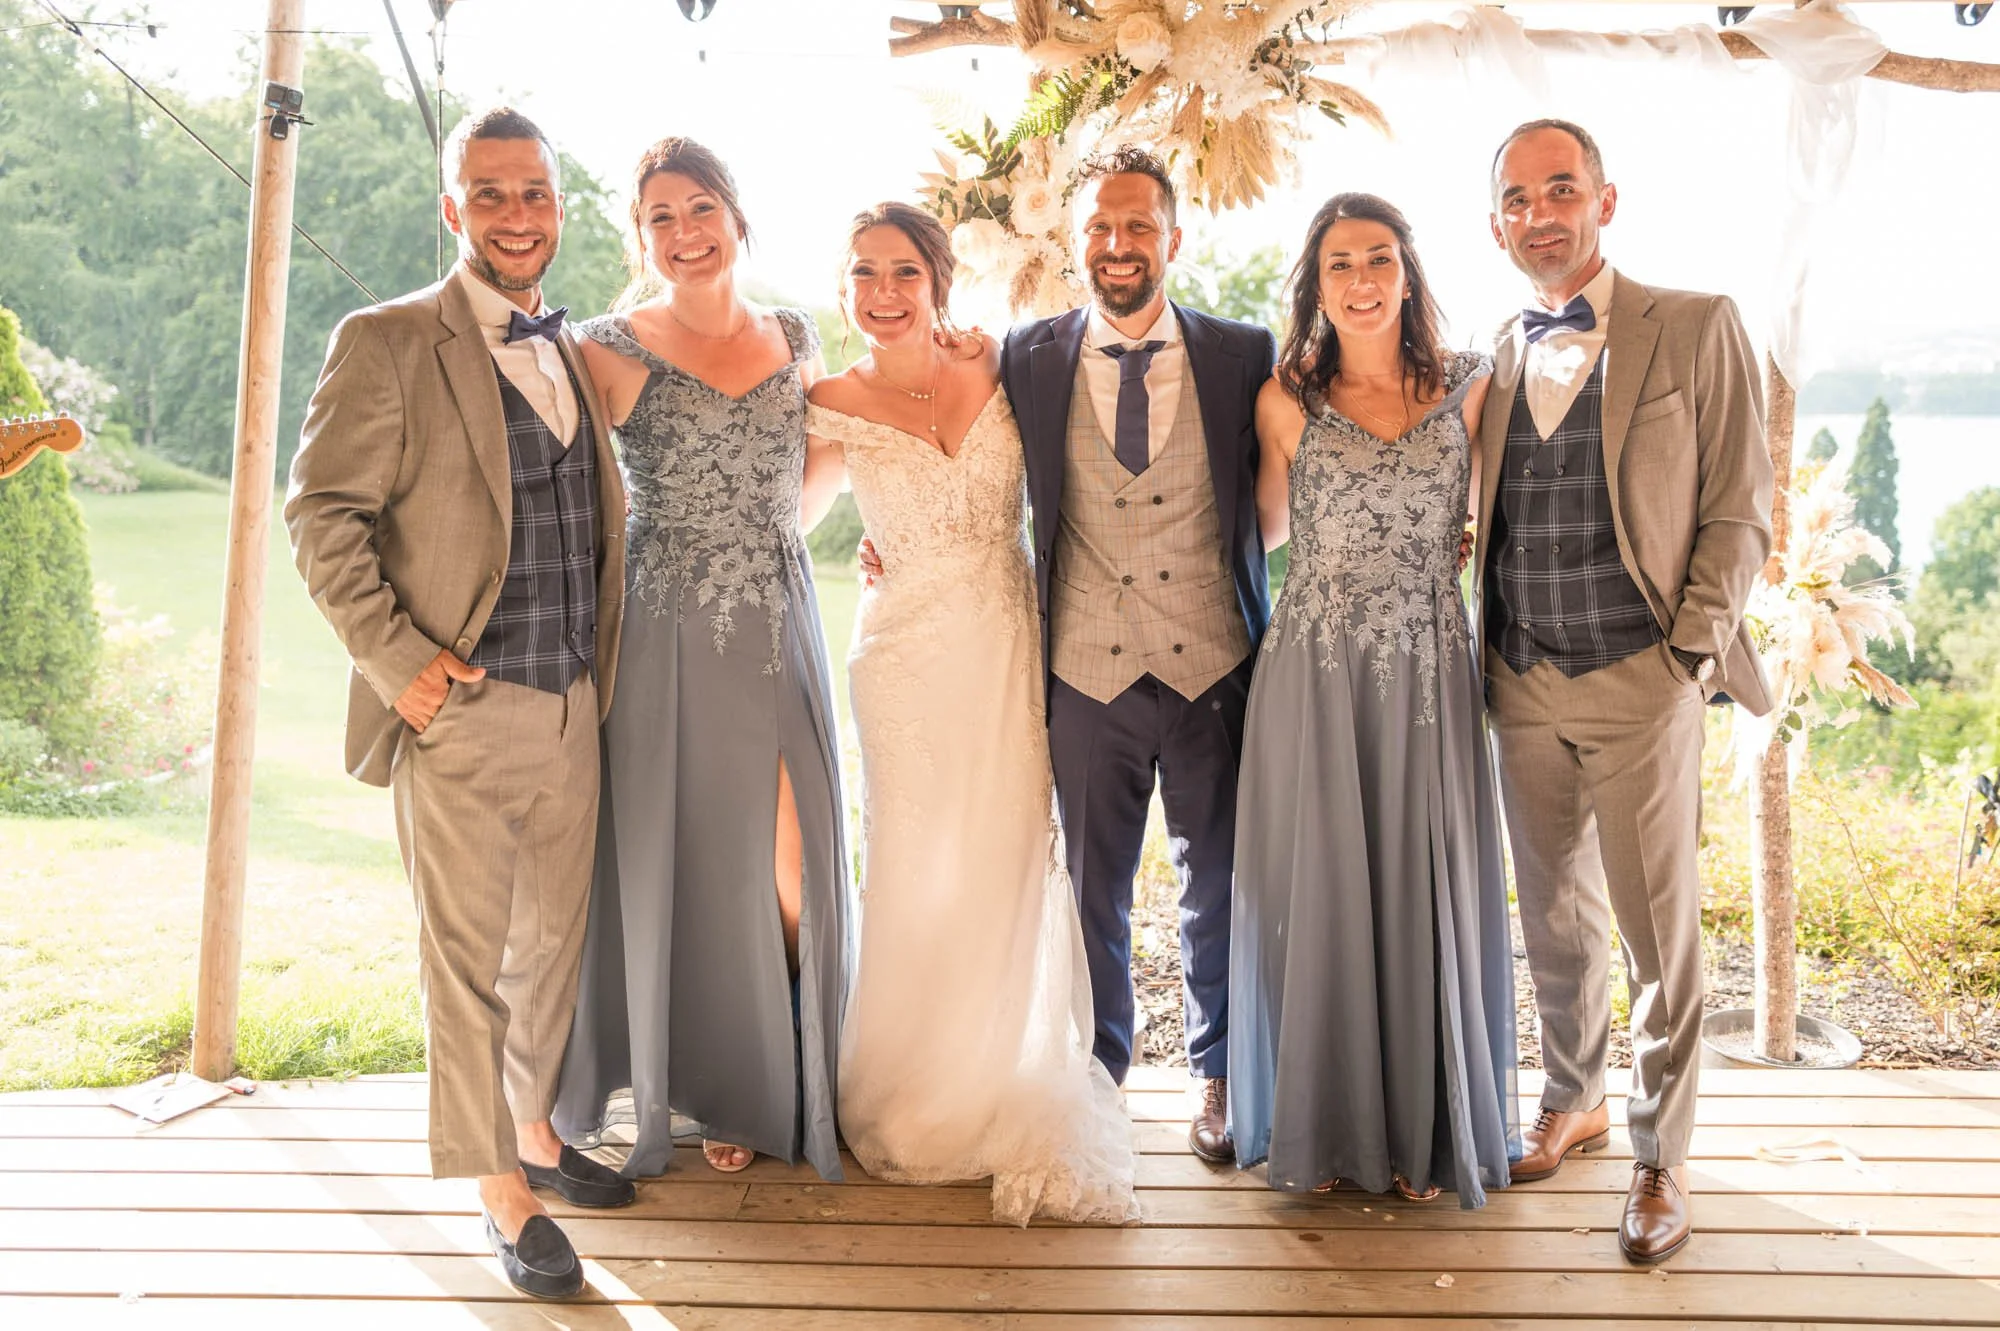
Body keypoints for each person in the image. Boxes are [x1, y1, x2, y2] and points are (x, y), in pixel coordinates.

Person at [287, 107, 635, 1301]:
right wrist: (403, 664)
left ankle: (533, 1128)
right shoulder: (385, 341)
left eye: (532, 193)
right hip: (462, 703)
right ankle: (500, 1189)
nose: (516, 214)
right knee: (467, 959)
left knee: (551, 947)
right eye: (488, 195)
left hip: (571, 698)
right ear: (453, 209)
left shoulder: (571, 347)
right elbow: (320, 518)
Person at [806, 202, 1138, 1225]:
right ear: (845, 287)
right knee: (915, 868)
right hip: (900, 661)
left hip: (1002, 649)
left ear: (937, 279)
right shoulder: (827, 400)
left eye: (903, 271)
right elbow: (781, 517)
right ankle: (910, 1092)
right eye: (863, 273)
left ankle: (998, 1075)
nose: (884, 293)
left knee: (1003, 859)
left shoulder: (996, 367)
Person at [1477, 119, 1773, 1261]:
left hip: (1639, 678)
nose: (1539, 213)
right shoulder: (1491, 350)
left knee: (1660, 935)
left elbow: (1739, 507)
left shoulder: (1695, 326)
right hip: (1519, 679)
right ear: (1494, 224)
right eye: (1516, 198)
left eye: (1560, 190)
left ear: (1607, 200)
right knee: (1551, 913)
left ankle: (1661, 1153)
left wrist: (1683, 663)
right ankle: (1574, 1096)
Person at [551, 137, 850, 1183]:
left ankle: (781, 1072)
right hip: (666, 632)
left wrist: (766, 534)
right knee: (685, 848)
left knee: (788, 856)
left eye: (699, 208)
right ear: (640, 237)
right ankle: (709, 1081)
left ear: (735, 213)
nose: (684, 233)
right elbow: (565, 486)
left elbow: (823, 463)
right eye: (660, 218)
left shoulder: (797, 333)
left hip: (777, 616)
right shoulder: (607, 347)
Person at [1227, 193, 1518, 1208]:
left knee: (1420, 880)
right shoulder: (1279, 401)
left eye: (1377, 259)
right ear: (1315, 283)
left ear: (1406, 273)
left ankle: (1423, 1130)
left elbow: (1514, 513)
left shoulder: (1471, 388)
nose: (1359, 279)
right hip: (1313, 671)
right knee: (1327, 888)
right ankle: (1334, 1125)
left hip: (1431, 668)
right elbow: (1252, 536)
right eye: (1339, 262)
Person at [1004, 145, 1274, 1162]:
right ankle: (1096, 1077)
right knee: (1090, 891)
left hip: (1212, 663)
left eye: (1137, 225)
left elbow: (1294, 472)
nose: (1117, 244)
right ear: (1073, 239)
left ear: (1173, 235)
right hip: (1083, 668)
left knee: (1224, 882)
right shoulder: (1023, 354)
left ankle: (1219, 1073)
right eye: (1099, 227)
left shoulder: (1242, 350)